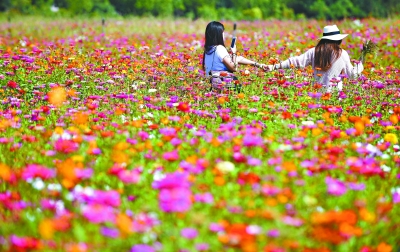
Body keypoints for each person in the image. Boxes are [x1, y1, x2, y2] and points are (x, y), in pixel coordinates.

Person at [266, 25, 364, 93]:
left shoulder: (314, 51)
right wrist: (360, 64)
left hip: (316, 94)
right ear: (338, 39)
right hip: (335, 97)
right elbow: (352, 75)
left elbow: (295, 61)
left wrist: (274, 67)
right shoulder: (342, 54)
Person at [202, 21, 265, 91]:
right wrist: (234, 52)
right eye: (222, 32)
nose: (224, 34)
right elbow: (234, 68)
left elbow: (237, 59)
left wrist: (257, 64)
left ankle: (261, 65)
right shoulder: (219, 48)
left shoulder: (207, 50)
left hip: (211, 83)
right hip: (223, 83)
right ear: (218, 34)